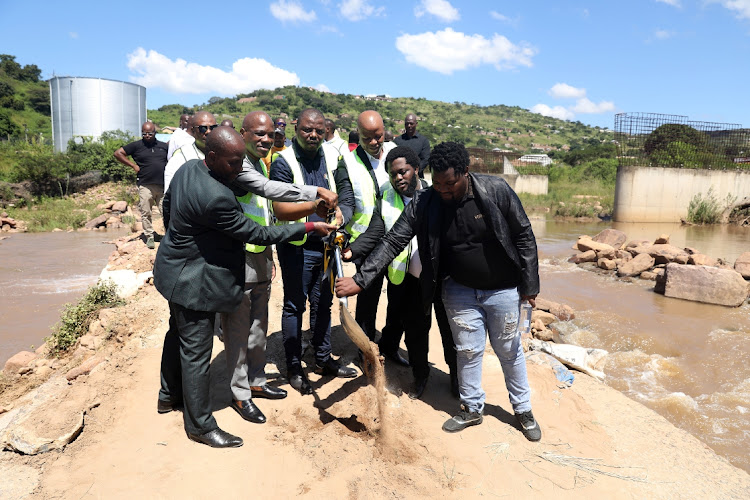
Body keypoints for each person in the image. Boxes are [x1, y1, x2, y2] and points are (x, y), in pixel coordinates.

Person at [336, 141, 542, 441]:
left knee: (509, 351)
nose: (444, 190)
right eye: (439, 183)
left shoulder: (495, 190)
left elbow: (523, 235)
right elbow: (394, 241)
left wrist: (530, 285)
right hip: (458, 290)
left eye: (451, 183)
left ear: (466, 172)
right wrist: (361, 279)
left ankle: (523, 410)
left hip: (502, 289)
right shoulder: (425, 201)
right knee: (468, 351)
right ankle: (472, 408)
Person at [154, 126, 335, 448]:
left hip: (172, 268)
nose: (239, 169)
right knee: (196, 353)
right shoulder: (217, 197)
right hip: (193, 283)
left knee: (176, 335)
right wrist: (307, 225)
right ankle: (199, 425)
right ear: (212, 157)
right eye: (234, 163)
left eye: (241, 162)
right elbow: (259, 234)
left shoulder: (189, 169)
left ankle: (168, 397)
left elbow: (169, 209)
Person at [221, 111, 338, 424]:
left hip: (259, 253)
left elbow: (262, 214)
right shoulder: (239, 165)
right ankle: (239, 394)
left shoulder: (260, 161)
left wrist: (269, 255)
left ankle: (257, 382)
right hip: (238, 256)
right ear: (242, 133)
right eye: (258, 134)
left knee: (259, 325)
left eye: (269, 135)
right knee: (238, 329)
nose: (264, 140)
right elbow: (270, 193)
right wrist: (315, 195)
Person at [270, 108, 356, 395]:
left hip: (326, 246)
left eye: (319, 130)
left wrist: (342, 210)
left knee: (324, 303)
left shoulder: (331, 155)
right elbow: (281, 209)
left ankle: (322, 359)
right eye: (308, 129)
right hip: (298, 246)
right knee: (295, 305)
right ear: (296, 128)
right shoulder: (283, 161)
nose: (313, 135)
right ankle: (294, 366)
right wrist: (314, 206)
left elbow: (343, 189)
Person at [345, 146, 435, 399]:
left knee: (419, 326)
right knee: (396, 313)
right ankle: (386, 350)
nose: (399, 178)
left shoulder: (433, 194)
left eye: (403, 172)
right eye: (393, 174)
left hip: (427, 276)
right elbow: (376, 229)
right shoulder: (387, 193)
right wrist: (353, 249)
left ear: (416, 169)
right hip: (399, 270)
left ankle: (422, 374)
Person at [339, 111, 402, 363]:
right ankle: (365, 350)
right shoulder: (348, 163)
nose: (375, 142)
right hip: (365, 242)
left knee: (398, 298)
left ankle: (390, 346)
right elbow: (345, 200)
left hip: (398, 240)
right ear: (358, 135)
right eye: (368, 138)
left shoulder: (397, 152)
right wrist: (341, 220)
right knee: (368, 298)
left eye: (378, 136)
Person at [113, 121, 168, 249]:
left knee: (166, 212)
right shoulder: (136, 146)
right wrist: (133, 165)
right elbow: (118, 153)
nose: (147, 135)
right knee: (146, 212)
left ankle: (169, 236)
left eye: (150, 133)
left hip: (162, 185)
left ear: (155, 132)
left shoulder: (163, 146)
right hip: (145, 185)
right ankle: (149, 236)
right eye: (144, 133)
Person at [163, 111, 217, 193]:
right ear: (193, 131)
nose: (208, 132)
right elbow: (169, 195)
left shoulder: (222, 154)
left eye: (212, 128)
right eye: (203, 128)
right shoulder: (180, 158)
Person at [394, 113, 430, 178]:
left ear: (416, 124)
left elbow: (425, 159)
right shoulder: (397, 141)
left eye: (411, 123)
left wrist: (413, 172)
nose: (409, 126)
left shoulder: (423, 141)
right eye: (407, 124)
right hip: (400, 177)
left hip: (417, 177)